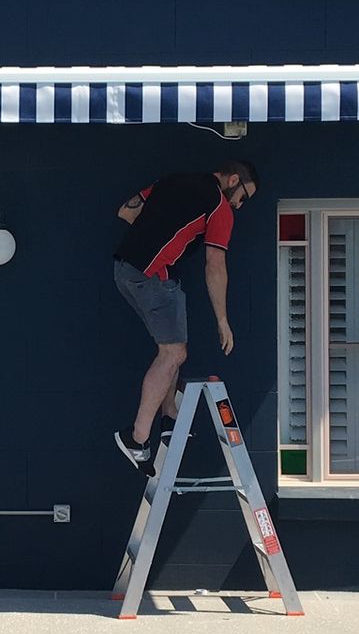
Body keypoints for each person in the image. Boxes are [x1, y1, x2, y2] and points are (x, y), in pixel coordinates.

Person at [111, 162, 258, 469]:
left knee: (172, 347)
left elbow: (126, 211)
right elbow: (215, 263)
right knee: (173, 353)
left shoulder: (173, 177)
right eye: (243, 197)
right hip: (152, 272)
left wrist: (155, 232)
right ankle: (136, 438)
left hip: (125, 268)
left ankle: (170, 418)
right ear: (233, 180)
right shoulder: (220, 207)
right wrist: (222, 321)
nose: (239, 206)